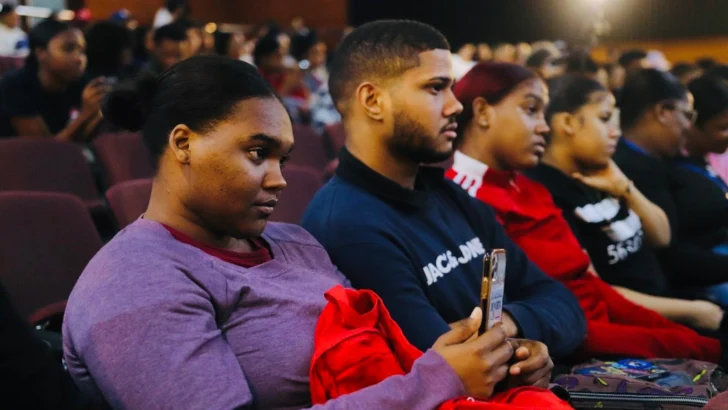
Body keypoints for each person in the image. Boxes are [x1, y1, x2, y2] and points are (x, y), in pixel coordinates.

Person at [63, 54, 544, 409]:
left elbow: (372, 363)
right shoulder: (134, 283)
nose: (279, 178)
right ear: (184, 143)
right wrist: (438, 379)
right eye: (257, 153)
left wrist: (478, 361)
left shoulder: (293, 243)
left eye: (283, 158)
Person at [302, 20, 586, 359]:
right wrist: (528, 343)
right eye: (436, 88)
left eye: (451, 88)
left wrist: (514, 325)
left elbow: (565, 304)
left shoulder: (445, 193)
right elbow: (447, 367)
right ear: (374, 101)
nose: (455, 106)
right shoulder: (348, 227)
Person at [446, 62, 725, 363]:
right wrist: (688, 341)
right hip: (570, 342)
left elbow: (590, 284)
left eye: (543, 112)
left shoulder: (527, 187)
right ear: (484, 112)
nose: (543, 125)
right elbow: (526, 315)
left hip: (600, 321)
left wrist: (682, 332)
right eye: (531, 110)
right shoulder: (464, 200)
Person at [533, 74, 726, 329]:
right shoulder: (549, 191)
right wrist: (691, 311)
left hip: (666, 305)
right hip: (634, 323)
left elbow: (661, 236)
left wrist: (624, 187)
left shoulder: (603, 172)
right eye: (604, 119)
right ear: (567, 123)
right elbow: (595, 290)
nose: (615, 132)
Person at [614, 69, 728, 304]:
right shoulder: (633, 168)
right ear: (663, 112)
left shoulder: (655, 159)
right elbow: (670, 255)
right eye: (686, 115)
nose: (688, 127)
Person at [0, 19, 110, 140]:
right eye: (68, 49)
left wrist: (97, 112)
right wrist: (85, 115)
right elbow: (42, 148)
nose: (79, 59)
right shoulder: (15, 86)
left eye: (82, 50)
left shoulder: (77, 81)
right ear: (41, 53)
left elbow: (81, 138)